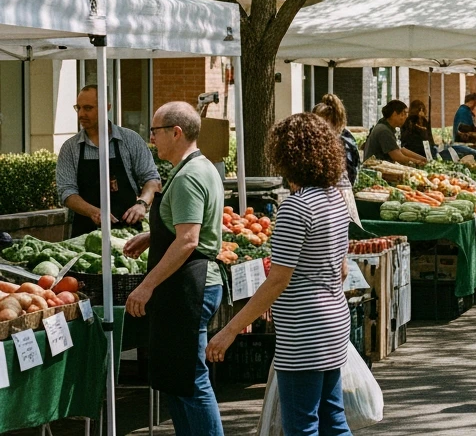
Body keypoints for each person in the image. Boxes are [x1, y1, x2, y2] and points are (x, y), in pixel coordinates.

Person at [206, 113, 353, 435]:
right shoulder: (335, 200)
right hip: (335, 319)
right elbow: (341, 269)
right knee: (333, 418)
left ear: (285, 156)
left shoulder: (295, 208)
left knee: (301, 424)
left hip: (305, 329)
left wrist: (230, 330)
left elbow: (278, 279)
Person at [122, 102, 224, 436]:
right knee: (178, 381)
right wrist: (154, 235)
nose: (151, 139)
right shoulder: (200, 167)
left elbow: (188, 241)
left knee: (190, 379)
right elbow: (189, 227)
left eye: (155, 131)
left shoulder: (189, 176)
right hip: (189, 284)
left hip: (191, 287)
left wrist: (146, 286)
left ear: (176, 133)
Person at [58, 84, 162, 236]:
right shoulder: (70, 148)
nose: (81, 114)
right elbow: (66, 192)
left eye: (88, 108)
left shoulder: (130, 140)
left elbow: (152, 179)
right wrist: (93, 212)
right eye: (78, 108)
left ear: (106, 107)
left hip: (129, 233)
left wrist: (142, 204)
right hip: (84, 234)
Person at [312, 94, 361, 223]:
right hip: (345, 195)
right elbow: (355, 168)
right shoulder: (347, 136)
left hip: (330, 199)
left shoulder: (325, 140)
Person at [363, 100, 426, 167]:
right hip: (375, 170)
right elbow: (397, 156)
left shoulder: (386, 127)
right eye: (403, 114)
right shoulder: (384, 131)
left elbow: (400, 149)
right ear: (394, 114)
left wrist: (423, 159)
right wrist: (417, 162)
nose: (406, 117)